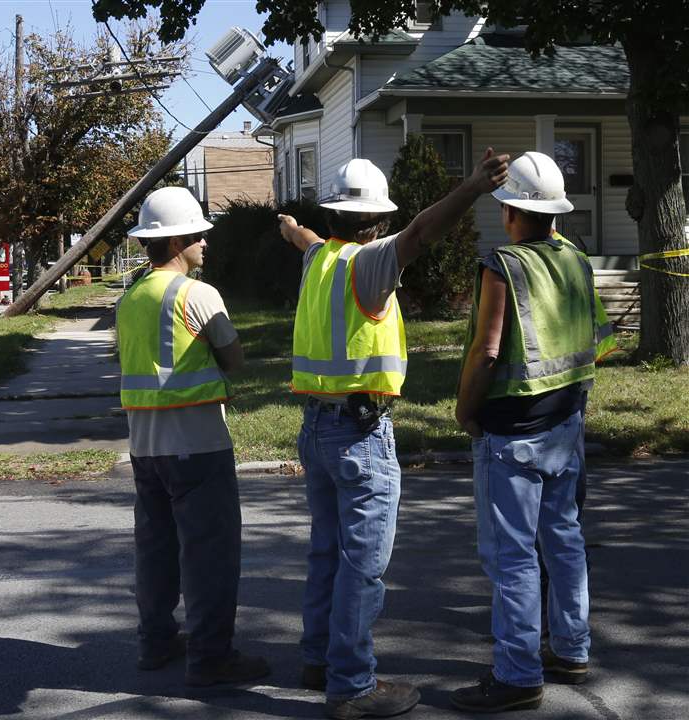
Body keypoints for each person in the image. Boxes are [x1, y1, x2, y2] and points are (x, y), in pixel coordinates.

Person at [279, 150, 510, 720]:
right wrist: (474, 186)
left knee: (326, 552)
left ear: (333, 216)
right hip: (360, 436)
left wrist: (289, 226)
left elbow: (305, 239)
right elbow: (425, 229)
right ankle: (352, 686)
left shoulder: (319, 261)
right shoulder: (371, 264)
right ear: (378, 222)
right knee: (363, 565)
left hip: (316, 428)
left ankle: (319, 661)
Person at [451, 152, 617, 714]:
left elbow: (487, 350)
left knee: (514, 557)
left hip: (513, 432)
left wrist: (464, 410)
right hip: (565, 422)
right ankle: (571, 649)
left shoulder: (504, 264)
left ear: (509, 210)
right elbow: (597, 333)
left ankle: (518, 674)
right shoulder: (574, 256)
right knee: (564, 541)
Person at [116, 186, 270, 688]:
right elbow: (234, 359)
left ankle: (155, 643)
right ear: (178, 239)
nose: (206, 240)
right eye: (200, 233)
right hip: (198, 445)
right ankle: (210, 656)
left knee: (156, 550)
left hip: (145, 446)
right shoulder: (197, 294)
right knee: (210, 555)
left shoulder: (130, 297)